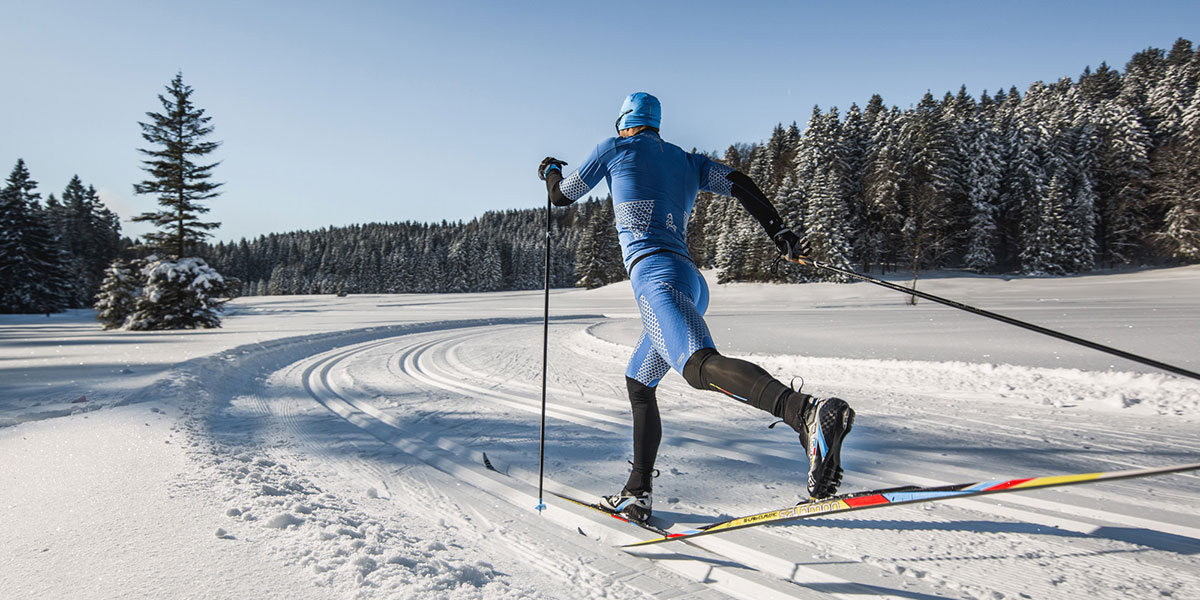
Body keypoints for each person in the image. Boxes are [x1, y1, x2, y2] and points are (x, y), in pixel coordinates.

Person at [538, 92, 854, 522]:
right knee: (639, 380)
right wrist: (781, 233)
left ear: (624, 124)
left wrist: (551, 172)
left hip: (656, 279)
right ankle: (638, 492)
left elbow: (562, 196)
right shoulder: (688, 162)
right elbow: (741, 183)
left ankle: (805, 413)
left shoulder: (614, 149)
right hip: (690, 280)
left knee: (698, 365)